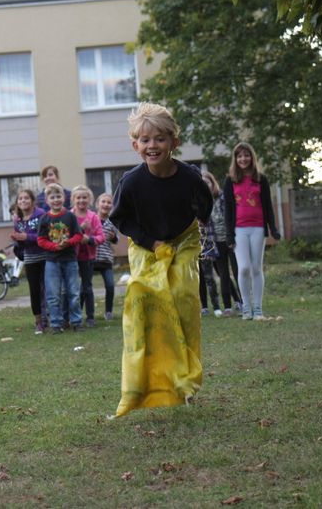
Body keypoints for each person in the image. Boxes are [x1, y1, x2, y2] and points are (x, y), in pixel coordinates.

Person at [109, 102, 213, 418]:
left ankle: (184, 378)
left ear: (173, 143)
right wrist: (149, 242)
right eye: (145, 140)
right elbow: (120, 218)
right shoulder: (131, 181)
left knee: (181, 296)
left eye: (159, 139)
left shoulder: (190, 178)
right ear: (135, 145)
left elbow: (205, 206)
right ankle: (144, 382)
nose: (152, 146)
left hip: (182, 241)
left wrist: (202, 217)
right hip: (145, 244)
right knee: (145, 298)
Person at [222, 142, 281, 321]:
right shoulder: (230, 180)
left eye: (246, 155)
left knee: (256, 268)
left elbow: (267, 206)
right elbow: (228, 210)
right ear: (235, 159)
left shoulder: (261, 179)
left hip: (257, 228)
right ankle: (246, 308)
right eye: (239, 156)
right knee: (244, 268)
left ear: (252, 157)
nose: (243, 159)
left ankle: (258, 309)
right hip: (239, 229)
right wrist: (229, 235)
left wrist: (273, 228)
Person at [36, 183, 83, 333]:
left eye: (58, 196)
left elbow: (79, 235)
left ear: (64, 198)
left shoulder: (70, 216)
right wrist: (55, 247)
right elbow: (41, 240)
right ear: (47, 200)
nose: (56, 200)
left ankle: (76, 321)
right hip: (52, 261)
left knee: (74, 292)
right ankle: (56, 323)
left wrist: (68, 242)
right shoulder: (44, 219)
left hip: (70, 260)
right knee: (53, 294)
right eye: (52, 197)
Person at [9, 189, 47, 334]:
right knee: (35, 291)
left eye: (26, 198)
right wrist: (17, 245)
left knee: (49, 289)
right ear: (17, 203)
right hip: (30, 259)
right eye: (20, 199)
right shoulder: (17, 220)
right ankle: (39, 322)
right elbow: (20, 242)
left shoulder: (41, 215)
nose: (23, 201)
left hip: (45, 257)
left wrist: (27, 237)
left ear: (32, 200)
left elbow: (44, 236)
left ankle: (53, 318)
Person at [204, 171, 242, 315]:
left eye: (207, 182)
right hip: (216, 243)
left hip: (230, 240)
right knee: (223, 275)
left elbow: (231, 216)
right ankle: (227, 306)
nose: (205, 185)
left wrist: (231, 236)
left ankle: (242, 303)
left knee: (238, 272)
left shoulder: (222, 196)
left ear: (212, 182)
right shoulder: (203, 201)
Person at [70, 185, 104, 328]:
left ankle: (90, 317)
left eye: (84, 197)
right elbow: (65, 235)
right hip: (71, 257)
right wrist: (81, 230)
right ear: (73, 200)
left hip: (88, 258)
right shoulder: (69, 215)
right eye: (78, 197)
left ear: (89, 199)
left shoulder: (93, 217)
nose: (81, 200)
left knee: (87, 288)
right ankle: (73, 317)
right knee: (72, 289)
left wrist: (89, 240)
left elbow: (101, 236)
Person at [94, 192, 119, 320]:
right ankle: (80, 311)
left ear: (112, 206)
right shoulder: (91, 218)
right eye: (103, 201)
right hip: (90, 259)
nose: (106, 204)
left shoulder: (112, 222)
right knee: (84, 288)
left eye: (109, 202)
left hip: (106, 259)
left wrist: (114, 237)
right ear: (97, 204)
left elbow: (116, 240)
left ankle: (108, 311)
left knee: (110, 285)